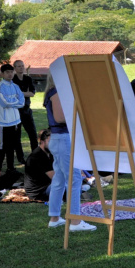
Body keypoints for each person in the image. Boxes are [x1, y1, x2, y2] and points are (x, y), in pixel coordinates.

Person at [44, 73, 95, 231]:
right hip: (62, 138)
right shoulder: (56, 92)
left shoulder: (53, 92)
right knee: (74, 179)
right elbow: (59, 118)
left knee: (59, 179)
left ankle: (54, 218)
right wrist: (79, 112)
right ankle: (75, 221)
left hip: (60, 138)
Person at [0, 63, 25, 171]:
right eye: (7, 72)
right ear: (2, 74)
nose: (10, 74)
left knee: (13, 145)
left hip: (16, 121)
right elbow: (4, 103)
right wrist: (15, 101)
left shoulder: (15, 86)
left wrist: (12, 102)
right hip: (4, 122)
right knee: (3, 146)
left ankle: (10, 168)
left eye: (11, 72)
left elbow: (22, 102)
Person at [12, 59, 38, 154]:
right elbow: (12, 94)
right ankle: (20, 157)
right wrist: (25, 93)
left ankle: (35, 154)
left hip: (27, 110)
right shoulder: (12, 80)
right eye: (19, 66)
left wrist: (20, 93)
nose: (21, 68)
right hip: (16, 111)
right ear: (15, 68)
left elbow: (32, 93)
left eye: (22, 66)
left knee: (33, 134)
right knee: (16, 136)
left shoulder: (28, 79)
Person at [24, 130, 54, 202]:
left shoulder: (49, 153)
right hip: (38, 192)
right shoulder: (38, 156)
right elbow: (55, 177)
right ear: (42, 142)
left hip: (46, 186)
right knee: (65, 186)